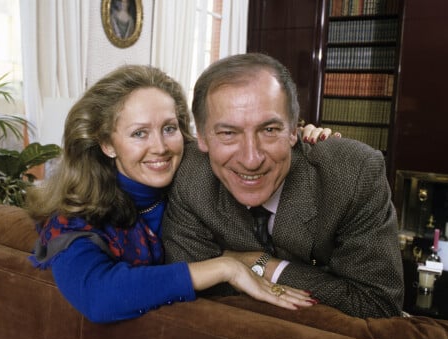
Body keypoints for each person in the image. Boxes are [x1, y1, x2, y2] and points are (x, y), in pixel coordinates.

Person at [26, 64, 332, 323]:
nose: (160, 147)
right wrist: (224, 266)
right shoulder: (75, 218)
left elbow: (244, 149)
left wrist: (293, 143)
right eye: (139, 133)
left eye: (169, 129)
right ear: (107, 143)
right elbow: (98, 295)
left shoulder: (194, 178)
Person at [162, 53, 404, 319]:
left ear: (293, 131)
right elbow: (191, 289)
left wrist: (258, 265)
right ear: (203, 139)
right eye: (228, 133)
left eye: (269, 130)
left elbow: (378, 306)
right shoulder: (188, 174)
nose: (251, 159)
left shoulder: (353, 174)